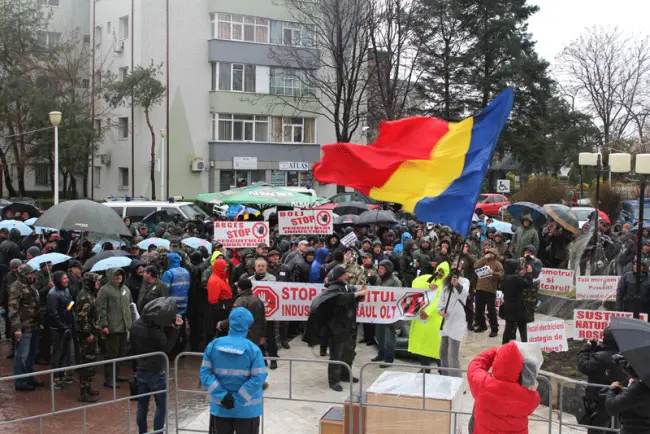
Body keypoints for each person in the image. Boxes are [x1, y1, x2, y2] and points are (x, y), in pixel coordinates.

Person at [201, 307, 267, 434]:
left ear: (230, 323)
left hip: (221, 408)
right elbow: (259, 377)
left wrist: (223, 396)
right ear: (247, 326)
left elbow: (205, 374)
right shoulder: (252, 349)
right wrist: (239, 398)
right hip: (247, 410)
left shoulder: (213, 346)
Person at [130, 298, 182, 434]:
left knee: (142, 405)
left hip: (140, 370)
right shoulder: (157, 334)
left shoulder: (135, 326)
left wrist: (134, 370)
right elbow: (167, 348)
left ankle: (142, 431)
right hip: (156, 372)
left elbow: (133, 349)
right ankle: (158, 432)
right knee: (161, 405)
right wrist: (176, 329)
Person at [468, 342, 541, 434]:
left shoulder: (483, 385)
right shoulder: (527, 397)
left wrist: (493, 351)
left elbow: (475, 366)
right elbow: (536, 399)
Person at [324, 266, 368, 392]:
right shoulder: (332, 288)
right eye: (345, 273)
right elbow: (340, 299)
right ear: (339, 276)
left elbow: (354, 299)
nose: (348, 275)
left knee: (348, 352)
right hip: (337, 326)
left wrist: (361, 294)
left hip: (350, 324)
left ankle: (345, 374)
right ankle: (334, 380)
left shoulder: (348, 287)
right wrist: (357, 294)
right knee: (336, 354)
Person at [577, 328, 627, 434]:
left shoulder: (600, 358)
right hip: (617, 402)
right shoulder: (626, 357)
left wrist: (587, 348)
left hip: (599, 402)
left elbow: (583, 365)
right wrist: (596, 348)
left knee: (596, 429)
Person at [97, 267, 134, 388]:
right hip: (112, 327)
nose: (118, 277)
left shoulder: (126, 289)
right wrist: (104, 325)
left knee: (120, 353)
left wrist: (131, 322)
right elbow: (101, 309)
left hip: (124, 326)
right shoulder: (104, 290)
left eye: (120, 275)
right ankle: (109, 379)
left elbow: (130, 306)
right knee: (111, 354)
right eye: (116, 275)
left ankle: (116, 375)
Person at [8, 264, 43, 391]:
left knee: (31, 354)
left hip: (34, 324)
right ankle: (20, 380)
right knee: (21, 354)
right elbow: (13, 309)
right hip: (24, 326)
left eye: (32, 273)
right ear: (24, 274)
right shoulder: (16, 287)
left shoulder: (31, 285)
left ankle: (29, 376)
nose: (32, 275)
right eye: (30, 273)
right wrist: (17, 328)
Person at [408, 262, 448, 372]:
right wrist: (427, 285)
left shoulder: (446, 285)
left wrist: (428, 312)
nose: (440, 273)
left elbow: (441, 301)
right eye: (439, 270)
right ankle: (425, 367)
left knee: (437, 346)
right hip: (421, 318)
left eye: (443, 271)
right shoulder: (428, 278)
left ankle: (442, 369)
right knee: (421, 344)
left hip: (436, 320)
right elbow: (415, 283)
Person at [249, 257, 281, 368]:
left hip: (269, 313)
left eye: (263, 266)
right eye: (259, 266)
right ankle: (262, 360)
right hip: (256, 314)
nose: (261, 267)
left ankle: (273, 360)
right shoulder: (250, 280)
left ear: (266, 267)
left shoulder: (272, 278)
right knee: (257, 337)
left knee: (271, 337)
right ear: (255, 267)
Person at [605, 356, 650, 434]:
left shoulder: (640, 387)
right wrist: (627, 367)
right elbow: (639, 375)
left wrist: (613, 389)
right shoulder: (645, 381)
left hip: (634, 429)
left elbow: (612, 406)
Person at [75, 272, 102, 402]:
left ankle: (88, 387)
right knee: (86, 363)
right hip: (87, 336)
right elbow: (82, 318)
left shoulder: (90, 295)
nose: (98, 283)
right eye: (96, 281)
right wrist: (88, 334)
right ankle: (83, 392)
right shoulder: (85, 297)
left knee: (91, 362)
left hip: (92, 333)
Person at [437, 271, 469, 378]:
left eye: (458, 266)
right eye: (454, 265)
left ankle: (456, 380)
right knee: (442, 352)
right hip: (446, 322)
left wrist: (457, 285)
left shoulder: (464, 281)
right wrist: (441, 311)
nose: (456, 268)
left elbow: (464, 294)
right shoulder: (446, 284)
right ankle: (445, 376)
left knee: (452, 354)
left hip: (457, 322)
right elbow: (441, 300)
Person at [46, 271, 75, 390]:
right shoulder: (53, 294)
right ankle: (55, 379)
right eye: (64, 278)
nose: (67, 280)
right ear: (58, 280)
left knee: (65, 352)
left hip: (67, 326)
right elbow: (53, 313)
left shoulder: (66, 290)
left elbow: (69, 304)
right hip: (58, 328)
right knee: (57, 353)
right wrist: (63, 326)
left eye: (67, 278)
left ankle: (62, 374)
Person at [372, 260, 401, 367]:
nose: (380, 270)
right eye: (379, 268)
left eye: (382, 268)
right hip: (380, 312)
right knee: (379, 335)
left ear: (388, 269)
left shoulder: (395, 281)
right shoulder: (379, 279)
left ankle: (389, 359)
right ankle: (381, 354)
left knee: (389, 337)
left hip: (390, 313)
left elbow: (399, 296)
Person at [473, 247, 504, 337]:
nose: (489, 254)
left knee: (491, 311)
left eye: (491, 253)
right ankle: (482, 325)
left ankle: (494, 328)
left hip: (490, 290)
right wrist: (484, 258)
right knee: (479, 309)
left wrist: (493, 272)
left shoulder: (498, 264)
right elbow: (475, 265)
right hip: (480, 288)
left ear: (495, 254)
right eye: (488, 252)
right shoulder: (483, 261)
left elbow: (501, 275)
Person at [500, 259, 529, 344]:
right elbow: (527, 284)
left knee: (508, 327)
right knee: (522, 328)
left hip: (508, 306)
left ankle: (504, 347)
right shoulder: (516, 278)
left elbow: (503, 289)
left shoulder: (504, 278)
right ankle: (525, 345)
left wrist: (520, 275)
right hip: (518, 307)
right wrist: (529, 274)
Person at [0, 258, 21, 360]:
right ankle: (14, 349)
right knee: (13, 328)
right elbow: (3, 290)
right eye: (12, 268)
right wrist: (2, 304)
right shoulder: (7, 277)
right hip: (11, 305)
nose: (14, 270)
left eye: (16, 268)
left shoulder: (23, 275)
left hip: (22, 305)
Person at [207, 257, 233, 339]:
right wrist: (221, 307)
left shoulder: (221, 278)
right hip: (220, 310)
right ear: (219, 268)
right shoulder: (215, 280)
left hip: (223, 308)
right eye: (224, 267)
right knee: (220, 331)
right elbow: (213, 300)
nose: (226, 269)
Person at [162, 252, 191, 317]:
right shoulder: (186, 272)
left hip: (171, 305)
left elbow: (164, 291)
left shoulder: (168, 273)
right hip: (183, 303)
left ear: (169, 261)